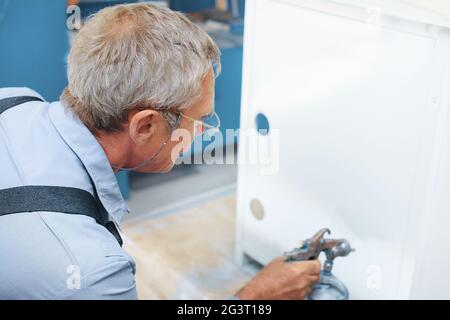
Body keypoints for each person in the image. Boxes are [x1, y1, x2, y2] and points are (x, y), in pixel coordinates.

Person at [0, 3, 320, 299]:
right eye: (200, 120)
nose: (204, 132)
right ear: (145, 127)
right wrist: (255, 297)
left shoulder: (13, 101)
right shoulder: (92, 274)